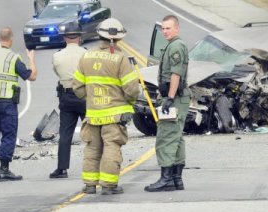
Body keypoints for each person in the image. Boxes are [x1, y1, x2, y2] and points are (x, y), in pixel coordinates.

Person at [73, 18, 140, 195]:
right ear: (119, 39)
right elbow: (132, 90)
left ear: (99, 34)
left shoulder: (86, 56)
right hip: (115, 115)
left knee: (92, 148)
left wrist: (93, 98)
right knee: (111, 147)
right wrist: (129, 102)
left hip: (93, 113)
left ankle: (89, 184)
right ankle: (109, 185)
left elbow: (77, 87)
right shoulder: (120, 59)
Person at [0, 27, 37, 181]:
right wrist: (31, 58)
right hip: (7, 101)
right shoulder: (13, 58)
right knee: (9, 133)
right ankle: (4, 169)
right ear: (11, 40)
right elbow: (32, 76)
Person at [145, 14, 191, 192]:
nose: (165, 31)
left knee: (166, 138)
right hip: (177, 97)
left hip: (175, 98)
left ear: (176, 28)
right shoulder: (173, 45)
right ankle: (176, 179)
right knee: (177, 139)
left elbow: (176, 74)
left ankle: (166, 180)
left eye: (168, 28)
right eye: (163, 28)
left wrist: (170, 98)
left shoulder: (176, 46)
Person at [49, 23, 87, 179]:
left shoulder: (57, 55)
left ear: (64, 38)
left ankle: (62, 168)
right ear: (79, 37)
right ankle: (96, 163)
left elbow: (57, 72)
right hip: (85, 95)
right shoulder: (86, 54)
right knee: (92, 132)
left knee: (65, 134)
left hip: (67, 97)